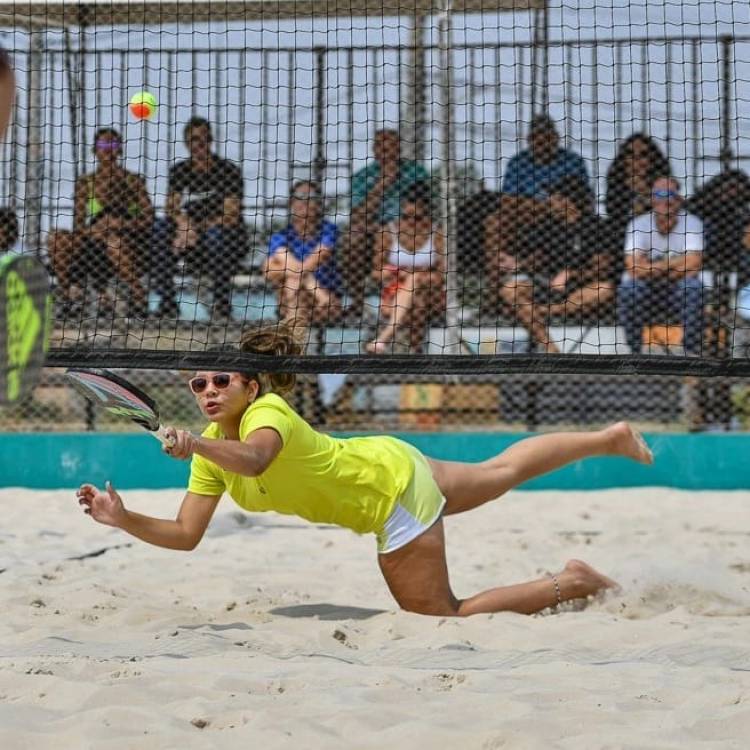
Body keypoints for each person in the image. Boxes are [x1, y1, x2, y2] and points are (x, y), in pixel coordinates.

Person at [76, 322, 655, 618]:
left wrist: (197, 449)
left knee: (439, 616)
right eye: (198, 383)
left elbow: (255, 458)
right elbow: (184, 536)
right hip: (390, 459)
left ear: (250, 384)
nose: (206, 390)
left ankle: (571, 582)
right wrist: (124, 518)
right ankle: (609, 437)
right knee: (499, 470)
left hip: (391, 496)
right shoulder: (207, 448)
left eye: (220, 379)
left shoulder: (266, 412)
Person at [48, 128, 153, 317]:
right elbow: (79, 224)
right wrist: (95, 230)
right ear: (95, 150)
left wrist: (119, 224)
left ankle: (138, 295)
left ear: (119, 149)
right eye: (103, 145)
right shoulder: (85, 183)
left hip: (127, 243)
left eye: (112, 144)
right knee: (57, 239)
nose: (108, 149)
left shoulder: (133, 181)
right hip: (94, 241)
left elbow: (148, 218)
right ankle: (67, 297)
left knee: (114, 243)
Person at [150, 116, 247, 321]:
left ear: (211, 140)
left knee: (215, 235)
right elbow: (171, 208)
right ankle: (167, 302)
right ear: (187, 144)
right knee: (159, 228)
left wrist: (196, 228)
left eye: (204, 138)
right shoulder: (180, 171)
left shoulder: (227, 171)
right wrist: (183, 225)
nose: (199, 143)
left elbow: (230, 215)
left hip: (223, 238)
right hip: (188, 238)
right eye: (194, 139)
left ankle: (221, 303)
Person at [485, 114, 591, 296]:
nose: (541, 142)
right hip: (524, 219)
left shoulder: (572, 161)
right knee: (494, 222)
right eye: (536, 138)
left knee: (560, 214)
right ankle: (494, 289)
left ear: (556, 138)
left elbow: (580, 198)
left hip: (559, 219)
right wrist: (544, 205)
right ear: (529, 139)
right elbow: (507, 201)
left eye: (547, 137)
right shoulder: (519, 162)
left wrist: (533, 204)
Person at [497, 175, 603, 353]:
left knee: (604, 290)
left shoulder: (596, 225)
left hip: (583, 286)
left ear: (567, 200)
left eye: (554, 197)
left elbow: (602, 267)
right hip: (549, 284)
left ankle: (542, 311)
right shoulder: (548, 226)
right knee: (510, 290)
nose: (549, 201)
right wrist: (516, 263)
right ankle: (550, 347)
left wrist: (572, 273)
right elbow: (534, 257)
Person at [344, 129, 430, 320]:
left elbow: (428, 207)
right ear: (374, 150)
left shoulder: (416, 172)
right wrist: (383, 184)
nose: (388, 151)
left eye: (392, 146)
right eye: (382, 146)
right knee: (351, 239)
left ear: (399, 149)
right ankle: (357, 303)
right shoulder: (362, 177)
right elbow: (357, 216)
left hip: (411, 230)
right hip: (373, 230)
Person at [617, 176, 705, 355]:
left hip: (676, 288)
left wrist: (652, 267)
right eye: (659, 194)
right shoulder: (639, 224)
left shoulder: (692, 222)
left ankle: (691, 352)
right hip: (645, 288)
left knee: (694, 287)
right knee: (628, 288)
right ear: (651, 199)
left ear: (679, 198)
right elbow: (632, 267)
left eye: (670, 194)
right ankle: (635, 352)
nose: (666, 199)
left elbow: (695, 264)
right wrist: (676, 263)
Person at [368, 183, 445, 353]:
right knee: (417, 303)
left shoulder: (438, 234)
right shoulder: (387, 232)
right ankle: (415, 351)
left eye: (418, 218)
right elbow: (375, 273)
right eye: (406, 216)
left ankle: (385, 337)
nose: (411, 222)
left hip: (432, 293)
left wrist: (414, 275)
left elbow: (443, 276)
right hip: (394, 292)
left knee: (416, 281)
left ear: (428, 214)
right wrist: (394, 273)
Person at [264, 180, 343, 331]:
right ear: (291, 203)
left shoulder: (329, 230)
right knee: (282, 273)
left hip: (326, 300)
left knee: (291, 278)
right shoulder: (282, 235)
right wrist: (316, 290)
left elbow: (315, 260)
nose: (305, 201)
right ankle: (295, 329)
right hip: (307, 298)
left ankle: (294, 335)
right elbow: (267, 270)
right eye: (300, 196)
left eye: (311, 197)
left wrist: (293, 274)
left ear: (319, 204)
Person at [605, 133, 671, 250]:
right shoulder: (616, 183)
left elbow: (670, 211)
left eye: (643, 154)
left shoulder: (664, 183)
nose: (636, 160)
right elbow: (613, 214)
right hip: (622, 241)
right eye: (630, 154)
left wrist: (645, 192)